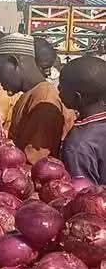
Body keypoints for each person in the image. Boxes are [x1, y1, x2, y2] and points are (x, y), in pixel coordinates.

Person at [0, 32, 72, 164]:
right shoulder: (30, 94)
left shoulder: (44, 100)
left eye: (0, 71)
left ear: (14, 62)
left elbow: (35, 162)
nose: (0, 79)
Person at [59, 55, 106, 184]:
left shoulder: (78, 145)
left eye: (62, 85)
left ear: (77, 97)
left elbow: (83, 194)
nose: (58, 89)